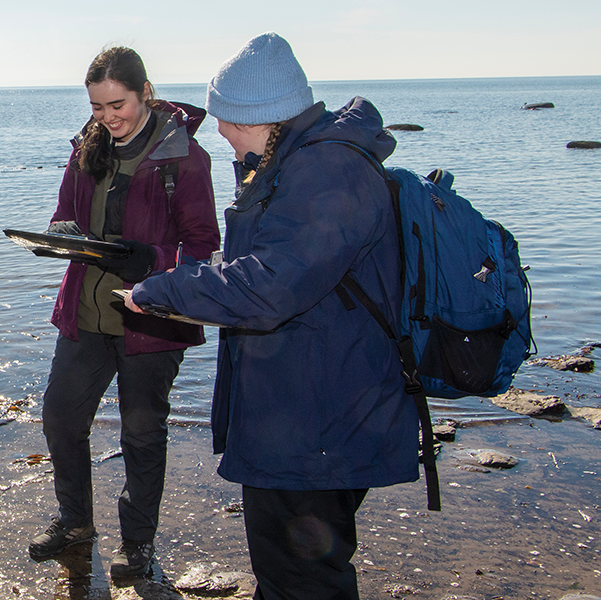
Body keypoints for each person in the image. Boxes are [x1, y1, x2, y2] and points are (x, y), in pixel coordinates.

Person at [126, 33, 419, 598]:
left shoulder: (324, 171)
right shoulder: (299, 162)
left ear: (254, 116)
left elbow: (270, 288)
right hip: (308, 405)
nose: (218, 130)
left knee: (300, 579)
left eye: (223, 118)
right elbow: (278, 265)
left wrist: (168, 290)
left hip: (317, 417)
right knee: (291, 574)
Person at [29, 46, 219, 578]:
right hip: (85, 315)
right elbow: (64, 216)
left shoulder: (184, 156)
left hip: (152, 320)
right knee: (61, 418)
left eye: (118, 105)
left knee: (141, 433)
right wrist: (57, 237)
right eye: (97, 107)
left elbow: (203, 246)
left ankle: (137, 543)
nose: (108, 117)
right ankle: (75, 523)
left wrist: (152, 258)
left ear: (145, 93)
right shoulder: (85, 148)